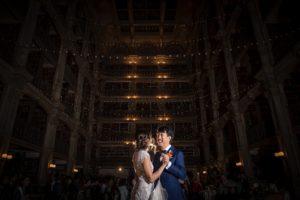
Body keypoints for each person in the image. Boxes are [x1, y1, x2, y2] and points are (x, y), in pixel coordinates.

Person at [131, 131, 169, 200]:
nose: (152, 140)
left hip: (139, 187)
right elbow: (151, 179)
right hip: (145, 191)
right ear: (146, 140)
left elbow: (136, 176)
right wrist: (164, 165)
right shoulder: (144, 154)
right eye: (150, 138)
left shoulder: (135, 154)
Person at [153, 126, 187, 200]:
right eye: (157, 135)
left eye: (161, 134)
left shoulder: (177, 153)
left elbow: (183, 175)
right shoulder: (156, 155)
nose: (158, 137)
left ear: (169, 138)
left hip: (172, 194)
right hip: (156, 195)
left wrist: (169, 164)